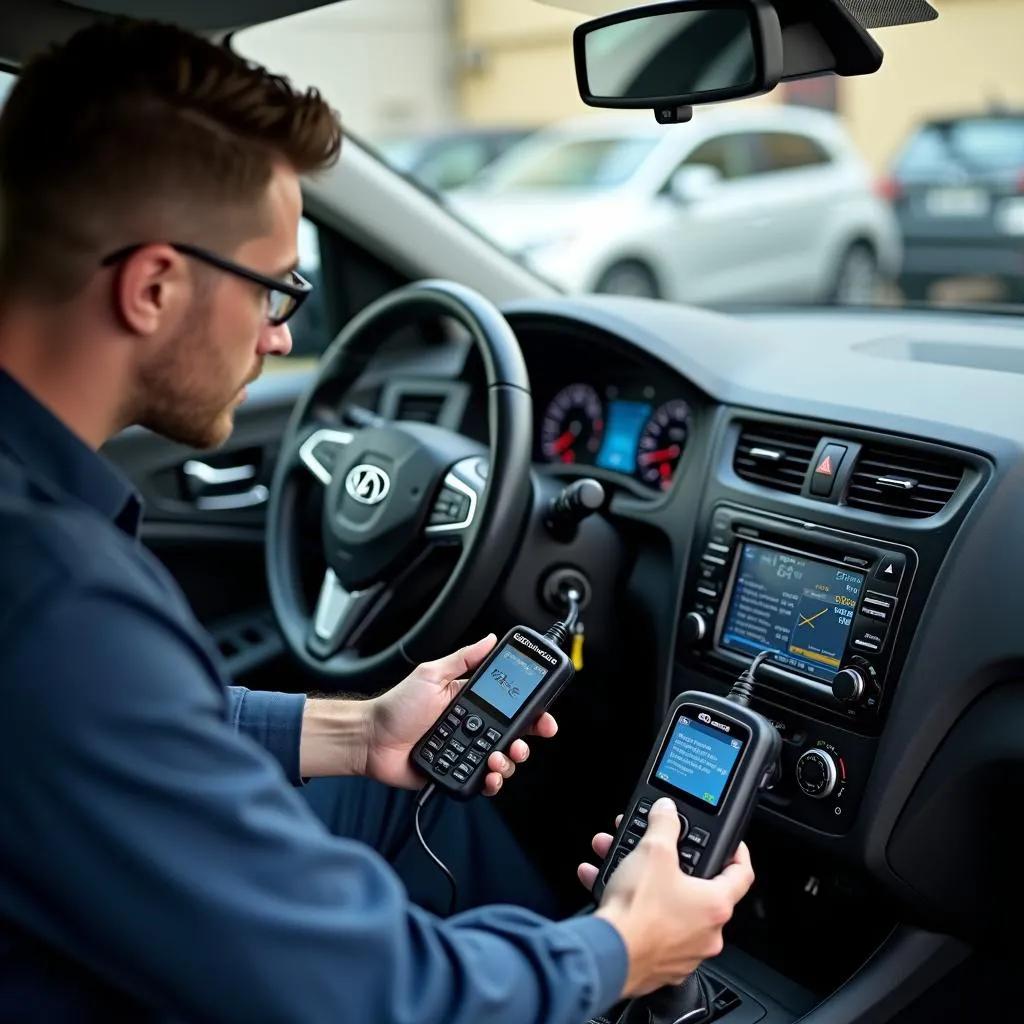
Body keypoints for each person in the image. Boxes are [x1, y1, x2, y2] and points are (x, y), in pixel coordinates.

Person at [0, 17, 755, 1024]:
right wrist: (621, 946)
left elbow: (127, 734)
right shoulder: (53, 597)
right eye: (279, 288)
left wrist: (355, 731)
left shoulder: (43, 541)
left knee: (407, 790)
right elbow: (373, 995)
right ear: (153, 285)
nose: (282, 332)